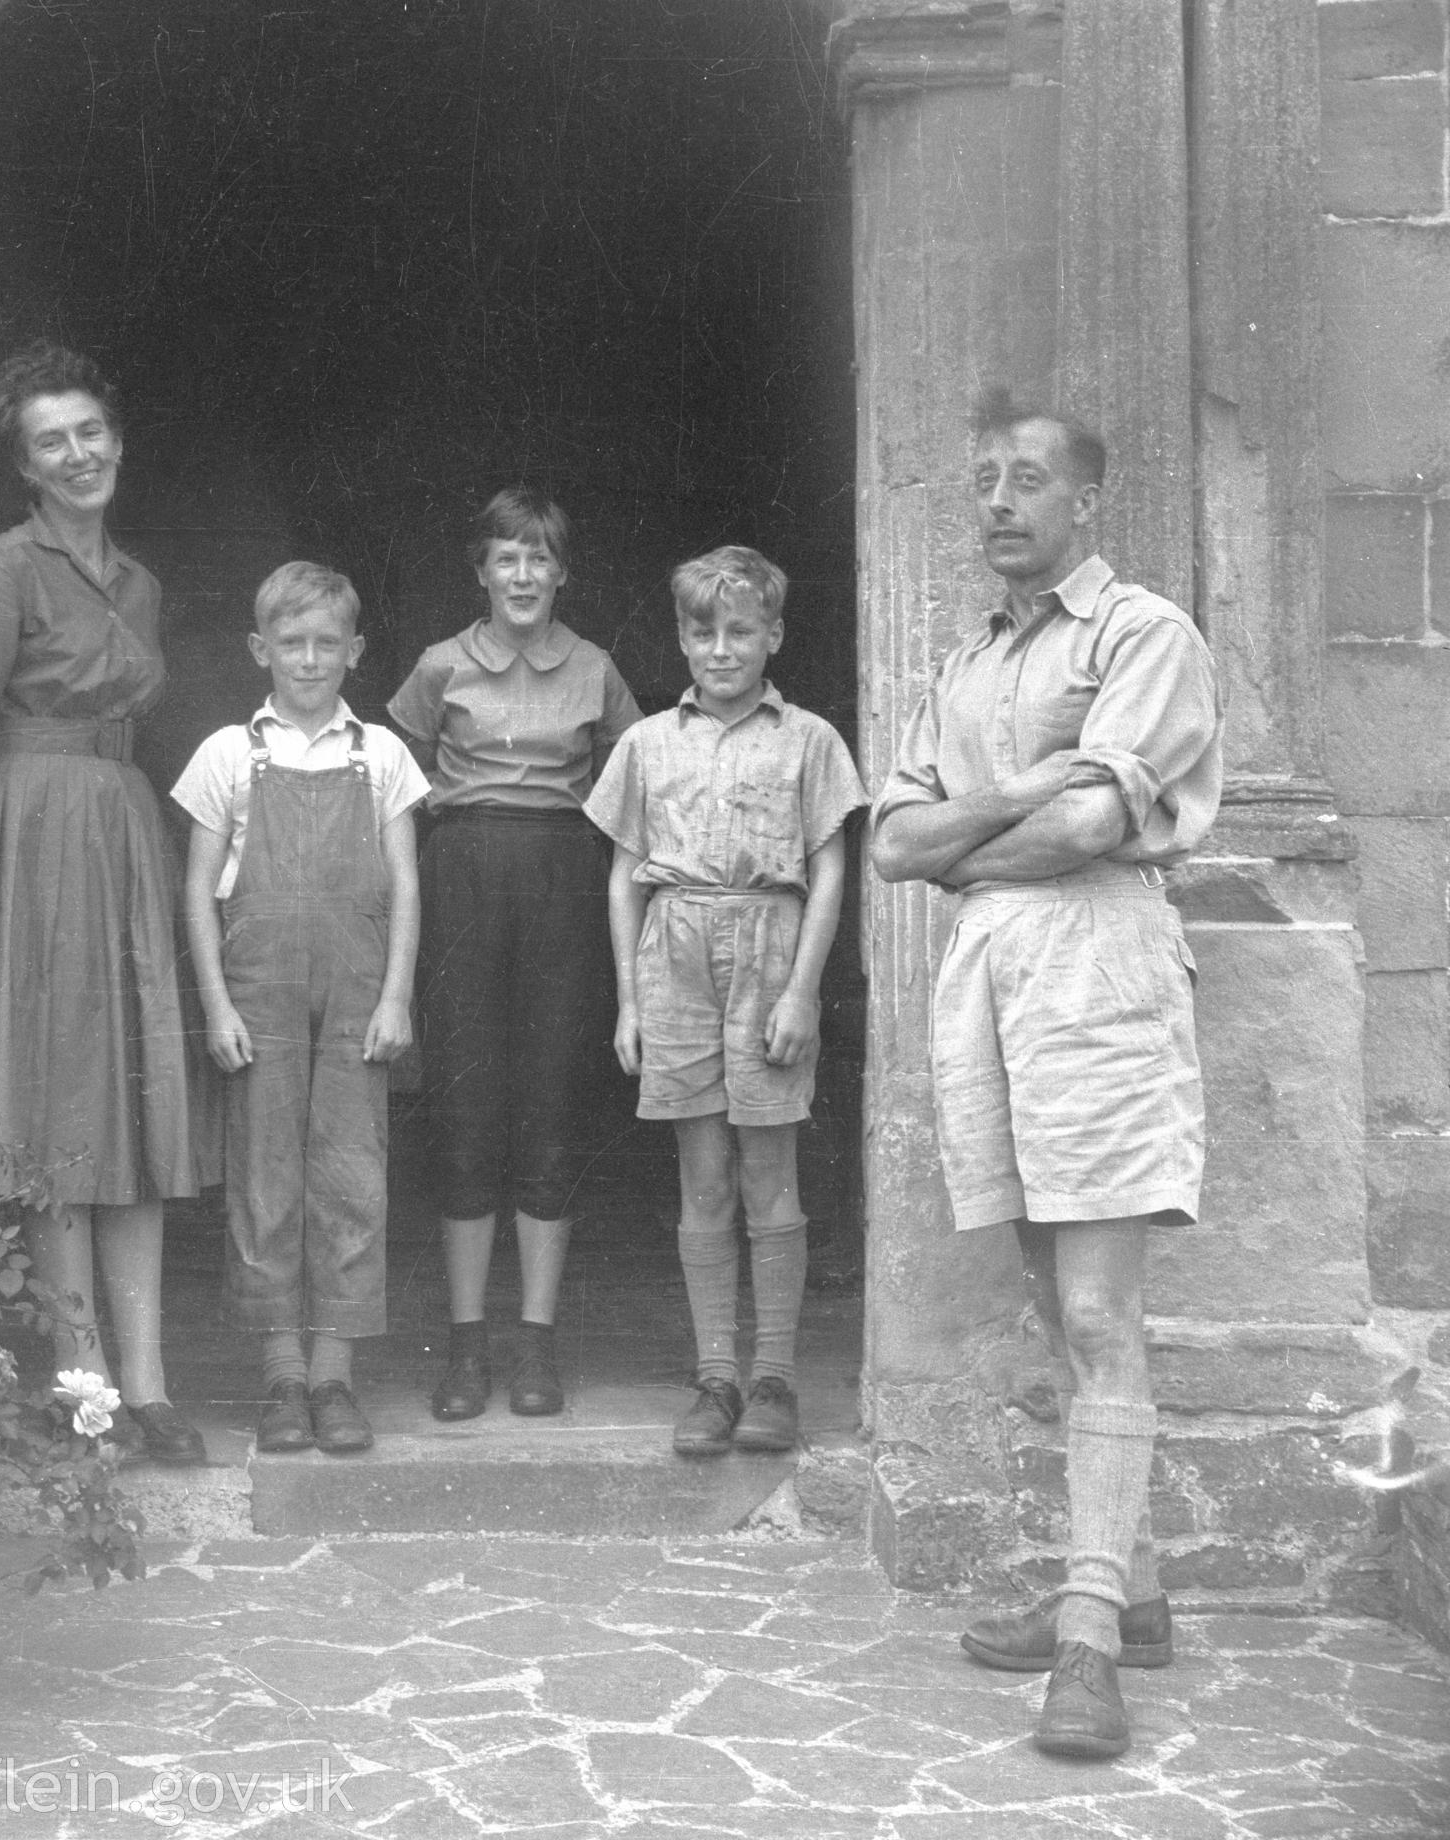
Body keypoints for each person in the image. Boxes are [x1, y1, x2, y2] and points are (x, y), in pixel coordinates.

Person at [871, 387, 1223, 1760]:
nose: (1000, 502)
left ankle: (1087, 1640)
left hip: (1097, 967)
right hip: (988, 976)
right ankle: (1125, 1587)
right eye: (983, 482)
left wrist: (975, 827)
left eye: (1028, 479)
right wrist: (1022, 801)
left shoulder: (1145, 633)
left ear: (1088, 500)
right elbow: (896, 845)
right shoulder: (965, 665)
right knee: (1042, 1283)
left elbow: (1101, 819)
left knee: (1096, 1308)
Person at [0, 339, 205, 1465]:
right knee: (59, 1116)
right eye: (52, 442)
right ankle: (83, 1387)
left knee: (134, 1112)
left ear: (116, 439)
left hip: (121, 836)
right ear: (24, 466)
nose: (78, 455)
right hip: (36, 850)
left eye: (91, 432)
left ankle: (151, 1386)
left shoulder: (139, 582)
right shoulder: (2, 571)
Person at [587, 547, 863, 1457]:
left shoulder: (810, 739)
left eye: (740, 631)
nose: (720, 649)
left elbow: (829, 868)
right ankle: (716, 1379)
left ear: (773, 636)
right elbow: (625, 875)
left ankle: (775, 1376)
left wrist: (803, 991)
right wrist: (630, 1000)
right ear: (681, 637)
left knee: (765, 1172)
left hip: (769, 949)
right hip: (675, 952)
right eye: (702, 631)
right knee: (701, 1178)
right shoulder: (647, 742)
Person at [388, 488, 642, 1420]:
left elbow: (631, 783)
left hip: (563, 881)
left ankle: (535, 1344)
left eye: (540, 558)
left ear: (561, 572)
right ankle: (465, 1346)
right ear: (482, 571)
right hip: (461, 878)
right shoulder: (440, 666)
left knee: (548, 1103)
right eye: (507, 558)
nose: (524, 575)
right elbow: (396, 783)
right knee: (465, 1104)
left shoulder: (597, 669)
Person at [174, 563, 426, 1456]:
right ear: (260, 650)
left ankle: (334, 1380)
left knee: (352, 1178)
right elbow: (199, 891)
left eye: (328, 643)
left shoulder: (383, 753)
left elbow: (403, 883)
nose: (310, 660)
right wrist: (214, 1005)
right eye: (292, 643)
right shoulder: (226, 754)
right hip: (259, 995)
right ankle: (282, 1378)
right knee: (265, 1178)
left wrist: (396, 994)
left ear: (354, 652)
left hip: (358, 996)